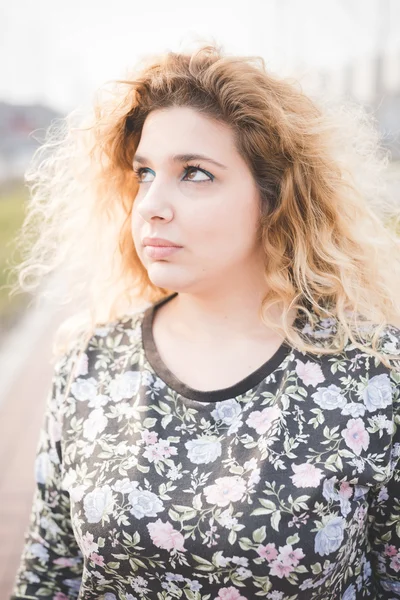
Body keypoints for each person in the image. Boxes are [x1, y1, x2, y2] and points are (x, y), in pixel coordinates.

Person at [8, 41, 400, 600]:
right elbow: (51, 578)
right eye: (144, 173)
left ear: (275, 196)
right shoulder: (91, 365)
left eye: (194, 173)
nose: (150, 204)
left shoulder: (373, 376)